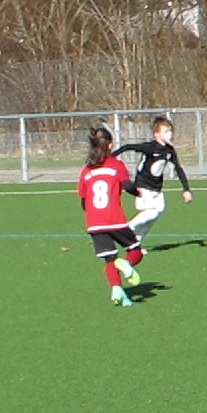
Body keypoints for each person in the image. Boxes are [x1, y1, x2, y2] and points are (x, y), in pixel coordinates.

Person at [79, 126, 146, 306]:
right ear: (109, 145)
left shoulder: (86, 170)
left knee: (110, 259)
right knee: (135, 250)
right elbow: (128, 186)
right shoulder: (116, 165)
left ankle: (117, 290)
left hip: (94, 223)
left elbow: (83, 202)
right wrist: (138, 192)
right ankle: (126, 264)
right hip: (114, 220)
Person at [113, 116, 194, 243]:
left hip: (156, 188)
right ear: (156, 134)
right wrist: (110, 158)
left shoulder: (169, 150)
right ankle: (127, 229)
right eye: (166, 131)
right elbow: (127, 147)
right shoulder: (150, 147)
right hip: (143, 186)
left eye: (170, 131)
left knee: (158, 212)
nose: (170, 134)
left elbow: (178, 169)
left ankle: (136, 243)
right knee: (152, 213)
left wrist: (186, 189)